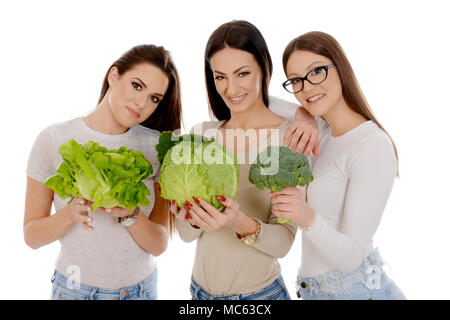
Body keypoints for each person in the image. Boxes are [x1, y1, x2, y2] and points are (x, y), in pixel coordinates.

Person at [170, 20, 318, 300]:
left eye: (243, 73)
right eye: (220, 76)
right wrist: (193, 218)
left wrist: (237, 221)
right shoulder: (201, 135)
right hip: (199, 294)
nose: (231, 88)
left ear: (264, 69)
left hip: (260, 297)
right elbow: (186, 235)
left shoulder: (290, 139)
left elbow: (284, 243)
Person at [24, 44, 181, 300]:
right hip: (73, 291)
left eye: (154, 98)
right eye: (137, 85)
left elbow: (158, 244)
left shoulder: (158, 148)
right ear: (113, 76)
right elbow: (32, 236)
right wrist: (70, 214)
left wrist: (131, 215)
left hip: (140, 292)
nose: (141, 103)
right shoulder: (53, 139)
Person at [268, 31, 406, 300]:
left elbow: (351, 257)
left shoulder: (371, 146)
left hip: (357, 292)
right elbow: (261, 100)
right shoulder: (323, 129)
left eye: (317, 71)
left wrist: (305, 216)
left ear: (340, 68)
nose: (307, 87)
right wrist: (302, 115)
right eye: (296, 80)